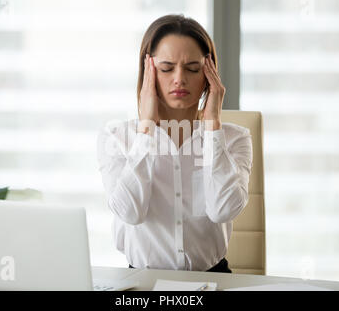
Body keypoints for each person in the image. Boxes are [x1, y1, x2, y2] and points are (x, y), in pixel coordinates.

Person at [97, 14, 252, 273]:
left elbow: (222, 210)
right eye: (167, 68)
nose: (179, 79)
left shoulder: (236, 138)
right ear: (148, 71)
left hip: (213, 279)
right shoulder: (116, 138)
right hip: (143, 283)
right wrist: (146, 129)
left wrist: (212, 124)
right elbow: (129, 212)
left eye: (193, 69)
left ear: (209, 73)